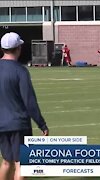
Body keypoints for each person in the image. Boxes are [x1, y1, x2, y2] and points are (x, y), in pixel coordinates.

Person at [0, 32, 49, 180]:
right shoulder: (20, 71)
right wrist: (42, 124)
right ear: (18, 48)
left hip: (1, 124)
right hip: (19, 123)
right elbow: (29, 101)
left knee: (6, 162)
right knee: (22, 164)